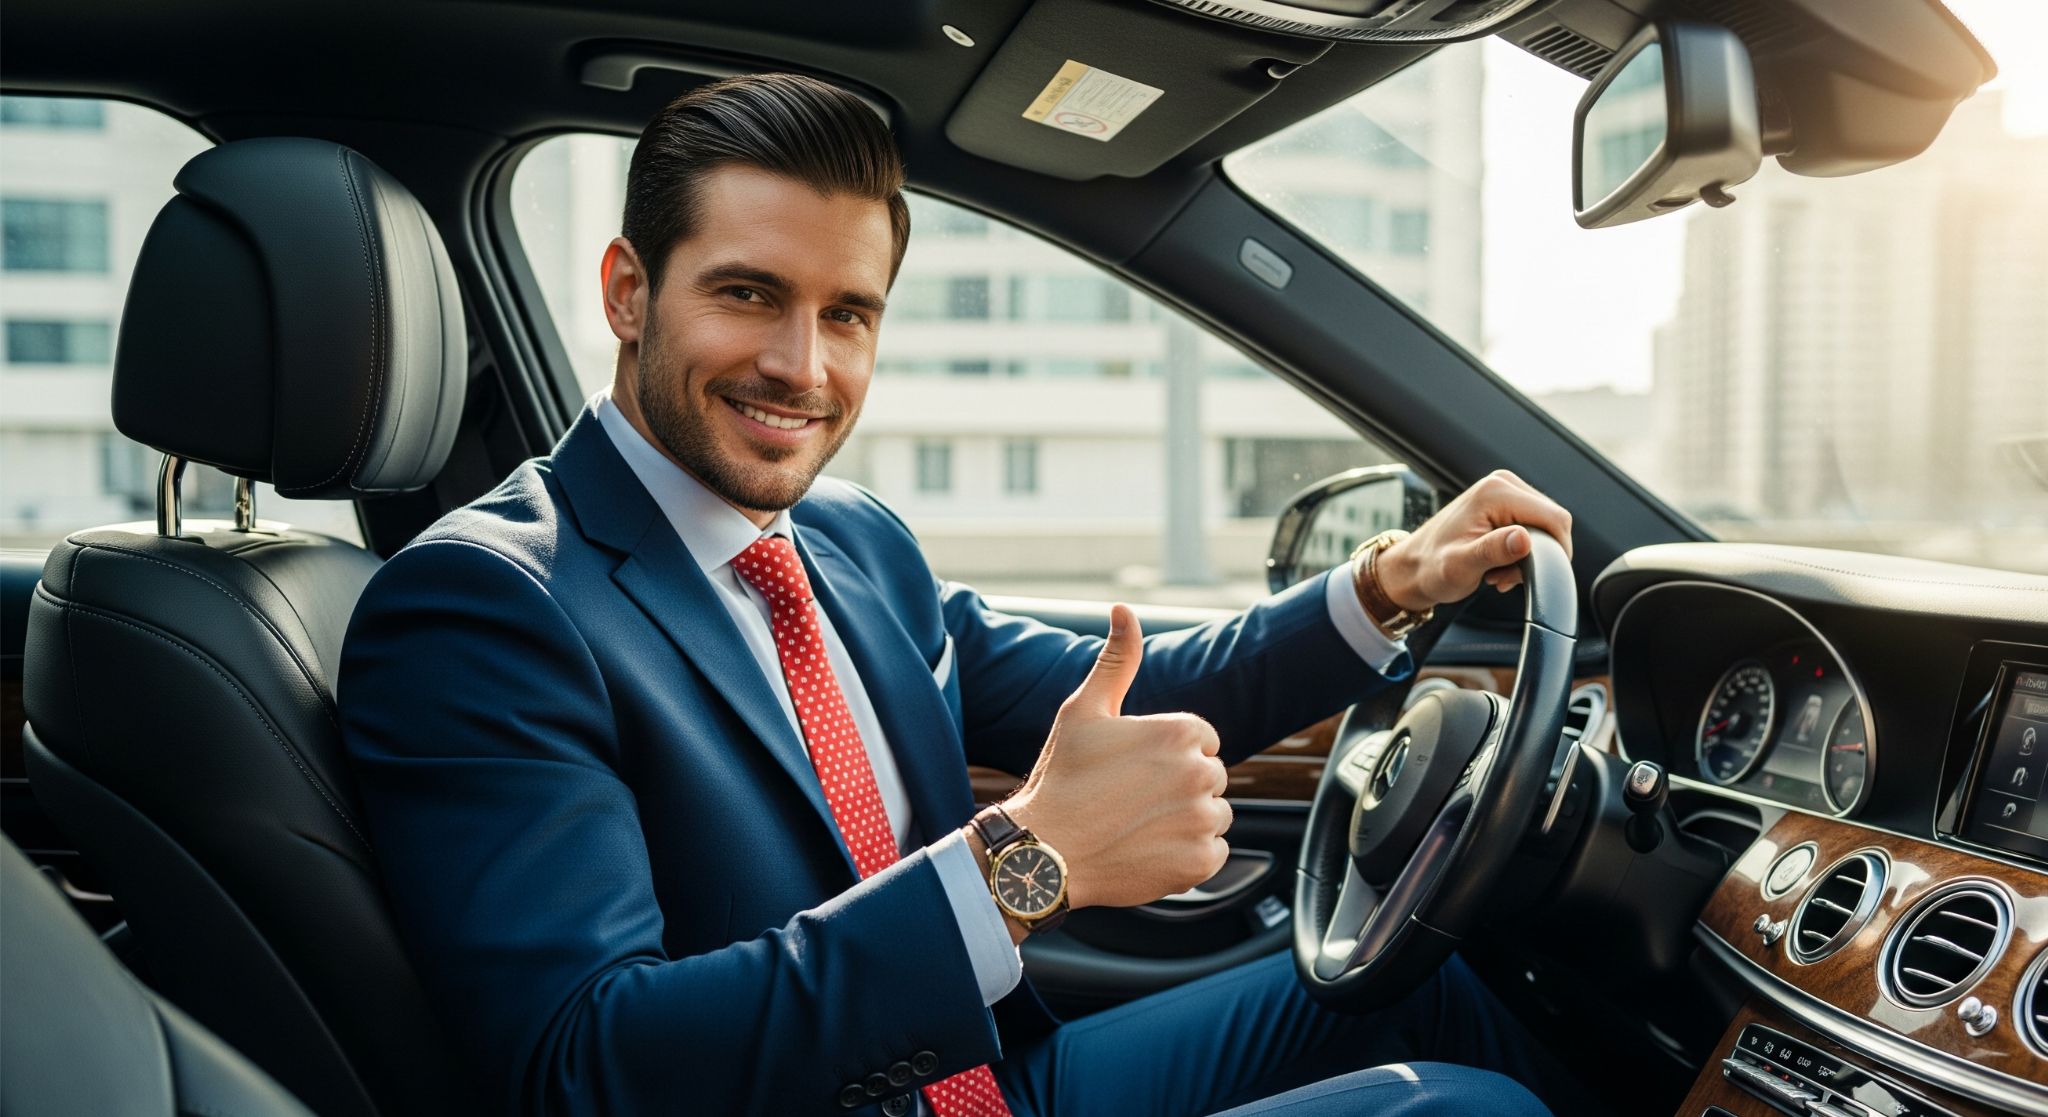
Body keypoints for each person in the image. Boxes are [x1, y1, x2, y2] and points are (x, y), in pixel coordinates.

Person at [339, 73, 1587, 1117]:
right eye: (747, 294)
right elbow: (584, 1065)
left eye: (848, 314)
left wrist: (1388, 583)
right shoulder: (482, 604)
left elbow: (1118, 697)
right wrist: (1022, 863)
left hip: (985, 1083)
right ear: (626, 290)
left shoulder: (846, 539)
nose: (801, 365)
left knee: (1431, 984)